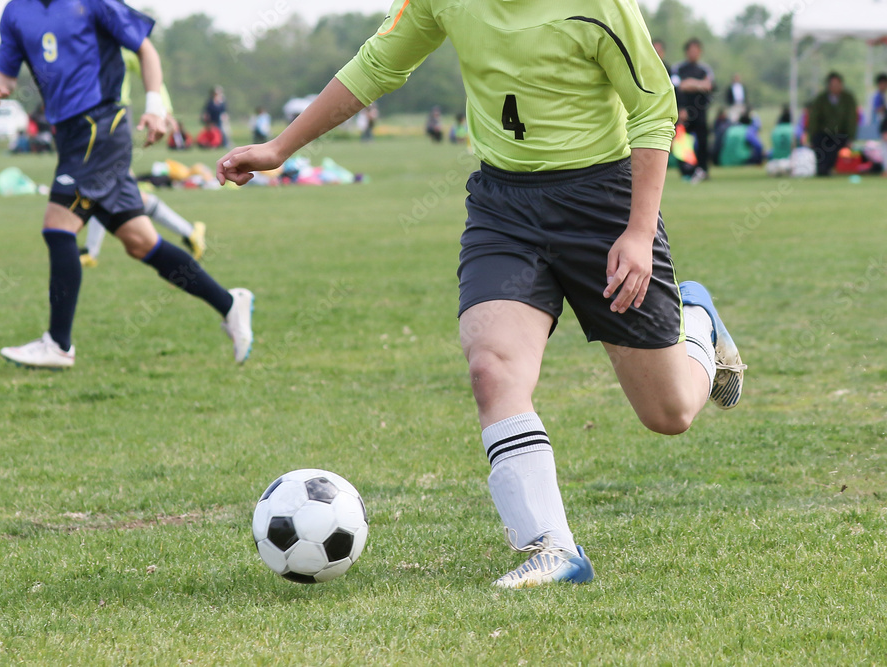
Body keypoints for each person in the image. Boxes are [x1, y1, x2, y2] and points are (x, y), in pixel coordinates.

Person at [217, 0, 746, 589]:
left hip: (603, 202)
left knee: (668, 413)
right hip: (505, 207)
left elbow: (654, 109)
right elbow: (376, 66)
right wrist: (279, 149)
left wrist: (639, 233)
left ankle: (697, 316)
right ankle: (550, 547)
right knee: (491, 367)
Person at [0, 0, 253, 369]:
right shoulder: (16, 11)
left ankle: (58, 344)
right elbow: (5, 77)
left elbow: (146, 49)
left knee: (58, 225)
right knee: (141, 242)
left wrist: (156, 106)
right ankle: (229, 303)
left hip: (102, 125)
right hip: (67, 135)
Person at [79, 47, 208, 269]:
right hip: (86, 122)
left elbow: (147, 63)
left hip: (112, 120)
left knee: (102, 184)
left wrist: (162, 108)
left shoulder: (115, 34)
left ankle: (91, 251)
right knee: (121, 189)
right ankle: (189, 231)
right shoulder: (76, 34)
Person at [672, 38, 715, 178]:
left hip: (700, 111)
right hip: (684, 111)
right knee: (682, 141)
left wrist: (690, 83)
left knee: (703, 141)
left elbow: (709, 86)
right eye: (691, 50)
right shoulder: (678, 68)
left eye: (696, 50)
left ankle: (703, 170)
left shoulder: (705, 69)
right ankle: (687, 170)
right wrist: (699, 85)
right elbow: (679, 87)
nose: (694, 53)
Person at [806, 72, 858, 177]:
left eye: (837, 85)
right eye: (832, 85)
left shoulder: (848, 99)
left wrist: (851, 137)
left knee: (833, 149)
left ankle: (827, 169)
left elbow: (851, 119)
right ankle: (821, 169)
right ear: (828, 86)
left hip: (840, 133)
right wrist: (811, 138)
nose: (835, 87)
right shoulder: (821, 99)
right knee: (819, 146)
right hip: (823, 132)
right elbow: (814, 119)